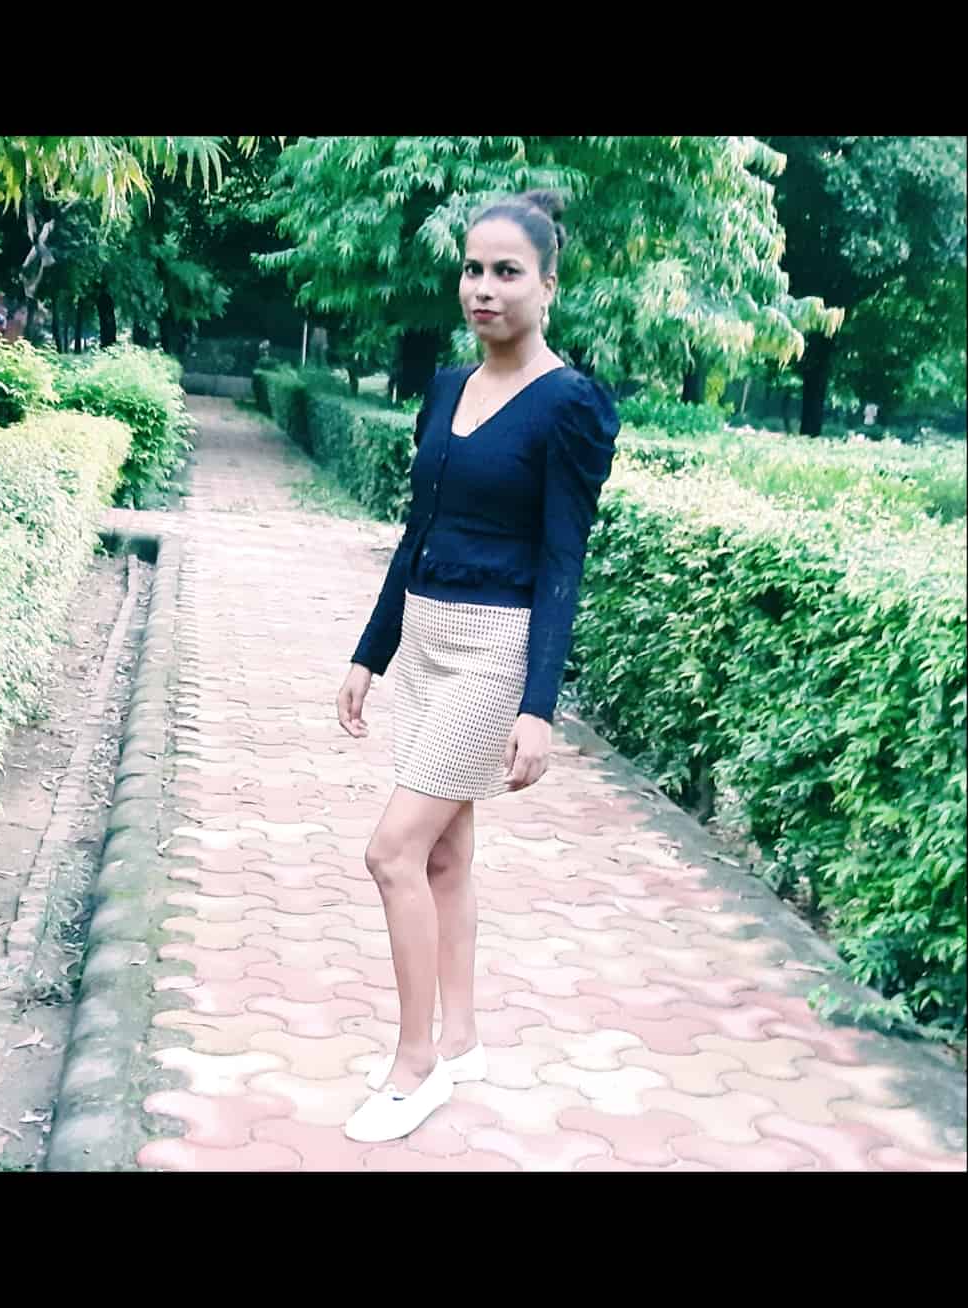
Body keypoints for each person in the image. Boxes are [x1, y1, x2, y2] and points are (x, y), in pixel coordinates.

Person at [335, 190, 620, 1144]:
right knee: (446, 854)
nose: (484, 288)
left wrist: (539, 706)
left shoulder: (570, 405)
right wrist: (370, 653)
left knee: (392, 853)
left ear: (548, 284)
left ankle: (413, 1066)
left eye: (507, 272)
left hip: (494, 652)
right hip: (425, 639)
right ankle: (458, 1041)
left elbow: (563, 562)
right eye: (472, 268)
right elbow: (417, 530)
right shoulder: (449, 385)